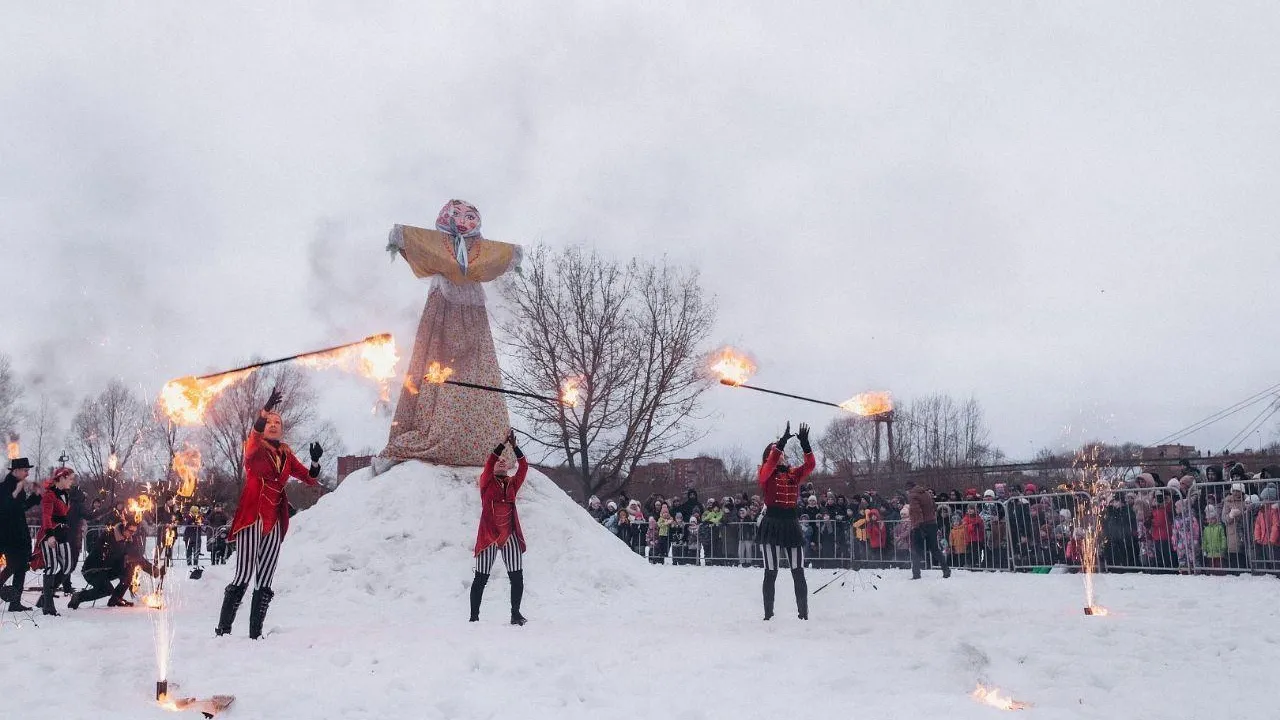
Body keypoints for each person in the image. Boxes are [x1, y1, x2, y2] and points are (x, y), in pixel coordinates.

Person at [215, 388, 324, 639]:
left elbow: (308, 478)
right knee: (243, 573)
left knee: (265, 578)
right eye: (270, 422)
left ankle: (256, 634)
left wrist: (316, 462)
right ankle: (223, 630)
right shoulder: (254, 449)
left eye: (278, 422)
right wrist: (264, 411)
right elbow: (254, 432)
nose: (273, 425)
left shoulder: (286, 454)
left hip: (274, 520)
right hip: (252, 517)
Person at [757, 421, 816, 621]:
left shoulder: (793, 473)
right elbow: (769, 466)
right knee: (771, 571)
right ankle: (768, 615)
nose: (782, 455)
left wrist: (806, 446)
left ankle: (803, 614)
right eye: (778, 453)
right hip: (772, 523)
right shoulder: (765, 473)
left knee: (798, 570)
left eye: (782, 453)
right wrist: (779, 445)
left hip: (791, 524)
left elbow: (810, 465)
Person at [469, 430, 529, 625]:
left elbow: (523, 467)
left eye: (504, 461)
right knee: (481, 578)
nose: (501, 461)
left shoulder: (512, 484)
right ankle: (474, 617)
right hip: (489, 535)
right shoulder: (486, 482)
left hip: (509, 534)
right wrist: (502, 445)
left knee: (517, 576)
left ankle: (515, 613)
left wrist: (515, 447)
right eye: (498, 461)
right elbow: (489, 462)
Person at [68, 521, 164, 608]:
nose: (132, 534)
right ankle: (79, 597)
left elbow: (137, 557)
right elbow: (106, 554)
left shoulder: (128, 540)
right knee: (106, 589)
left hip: (109, 569)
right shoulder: (109, 535)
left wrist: (153, 570)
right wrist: (125, 557)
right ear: (124, 528)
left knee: (130, 569)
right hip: (94, 570)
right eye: (130, 531)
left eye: (134, 531)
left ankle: (116, 599)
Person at [0, 457, 42, 611]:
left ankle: (15, 602)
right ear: (16, 471)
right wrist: (16, 491)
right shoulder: (4, 487)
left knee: (21, 566)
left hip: (20, 534)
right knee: (12, 565)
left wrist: (36, 495)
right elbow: (5, 508)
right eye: (25, 470)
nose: (27, 473)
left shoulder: (20, 486)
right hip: (8, 535)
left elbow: (21, 507)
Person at [907, 481, 950, 580]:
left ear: (909, 488)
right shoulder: (926, 493)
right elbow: (934, 507)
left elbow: (916, 511)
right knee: (934, 549)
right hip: (932, 523)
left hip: (920, 525)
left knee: (916, 550)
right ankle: (946, 569)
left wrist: (919, 525)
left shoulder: (912, 495)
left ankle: (916, 573)